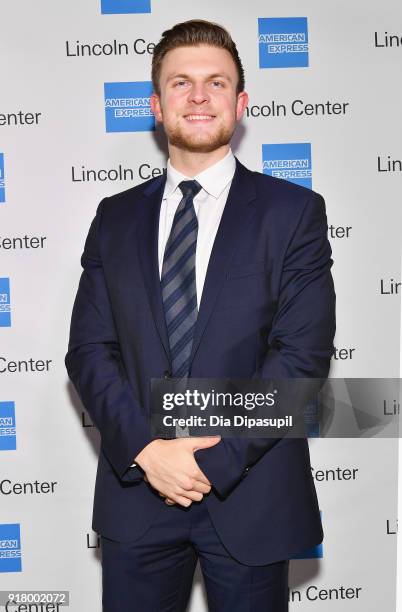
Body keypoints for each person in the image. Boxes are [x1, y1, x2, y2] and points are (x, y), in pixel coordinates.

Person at [65, 19, 336, 612]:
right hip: (138, 493)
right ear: (156, 106)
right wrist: (147, 452)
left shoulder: (293, 214)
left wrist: (212, 462)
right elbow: (89, 350)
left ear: (240, 103)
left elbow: (300, 355)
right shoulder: (114, 218)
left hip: (251, 493)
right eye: (180, 83)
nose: (198, 96)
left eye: (216, 83)